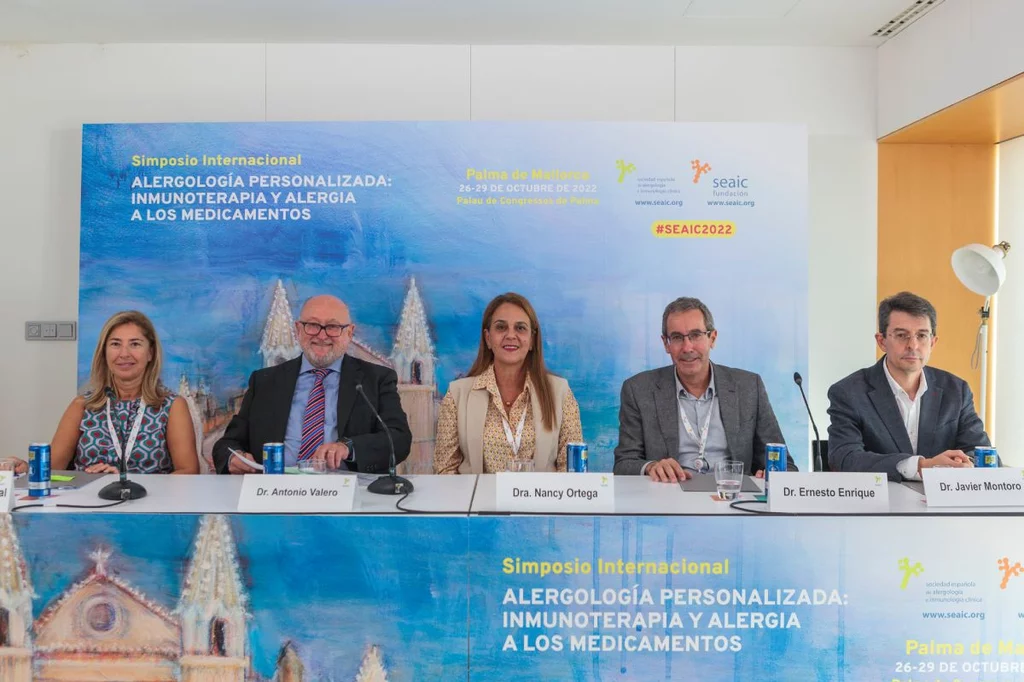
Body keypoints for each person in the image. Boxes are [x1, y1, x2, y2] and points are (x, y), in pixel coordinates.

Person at [213, 294, 411, 474]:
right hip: (275, 494)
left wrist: (347, 447)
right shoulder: (264, 381)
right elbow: (228, 443)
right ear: (299, 330)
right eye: (313, 325)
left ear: (349, 333)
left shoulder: (376, 379)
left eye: (333, 327)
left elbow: (399, 439)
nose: (322, 335)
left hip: (348, 495)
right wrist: (232, 458)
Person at [614, 297, 796, 482]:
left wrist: (773, 473)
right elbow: (624, 463)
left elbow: (785, 464)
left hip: (733, 499)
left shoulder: (748, 387)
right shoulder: (638, 390)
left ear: (712, 338)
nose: (687, 347)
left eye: (695, 335)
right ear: (666, 344)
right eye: (677, 337)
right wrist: (651, 467)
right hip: (669, 498)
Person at [827, 291, 990, 481]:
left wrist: (965, 464)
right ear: (881, 341)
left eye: (922, 335)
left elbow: (982, 453)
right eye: (902, 335)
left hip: (943, 504)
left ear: (933, 342)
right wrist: (919, 467)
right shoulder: (849, 393)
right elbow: (845, 459)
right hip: (879, 506)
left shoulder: (956, 391)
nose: (913, 345)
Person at [433, 293, 583, 474]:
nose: (511, 335)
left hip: (542, 502)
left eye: (520, 328)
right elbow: (445, 471)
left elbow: (572, 471)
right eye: (501, 327)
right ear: (488, 338)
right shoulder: (457, 396)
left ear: (532, 341)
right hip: (478, 501)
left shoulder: (560, 393)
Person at [49, 311, 200, 474]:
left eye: (135, 344)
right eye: (115, 344)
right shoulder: (82, 406)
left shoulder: (171, 406)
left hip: (150, 498)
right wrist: (26, 469)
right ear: (104, 352)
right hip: (89, 497)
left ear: (150, 353)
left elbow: (188, 472)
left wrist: (126, 483)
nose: (124, 354)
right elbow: (50, 471)